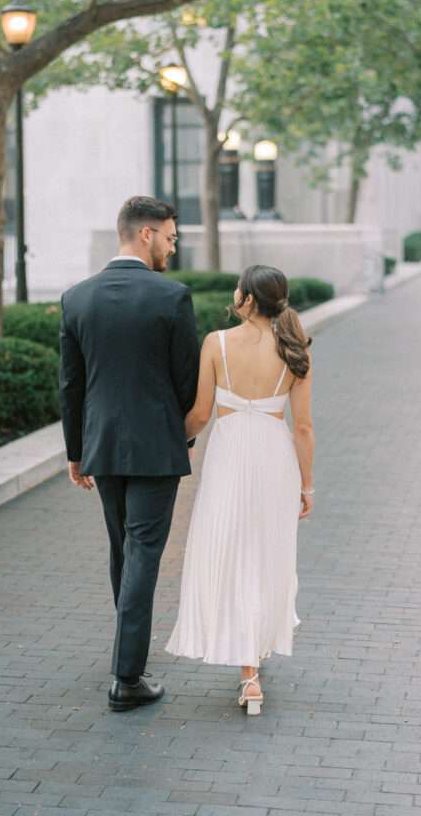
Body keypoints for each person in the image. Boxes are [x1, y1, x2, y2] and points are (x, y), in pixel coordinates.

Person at [59, 195, 200, 712]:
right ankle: (127, 676)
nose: (172, 246)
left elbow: (70, 386)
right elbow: (188, 381)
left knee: (123, 549)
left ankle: (127, 655)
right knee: (142, 553)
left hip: (101, 445)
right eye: (169, 237)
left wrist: (76, 451)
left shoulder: (77, 298)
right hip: (156, 448)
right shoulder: (173, 298)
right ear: (145, 235)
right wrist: (181, 437)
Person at [166, 264, 315, 715]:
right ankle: (254, 653)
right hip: (275, 458)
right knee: (266, 553)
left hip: (228, 456)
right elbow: (303, 426)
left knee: (231, 550)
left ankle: (249, 670)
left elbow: (199, 414)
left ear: (247, 298)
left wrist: (177, 443)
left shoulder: (216, 342)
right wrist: (308, 485)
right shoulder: (294, 348)